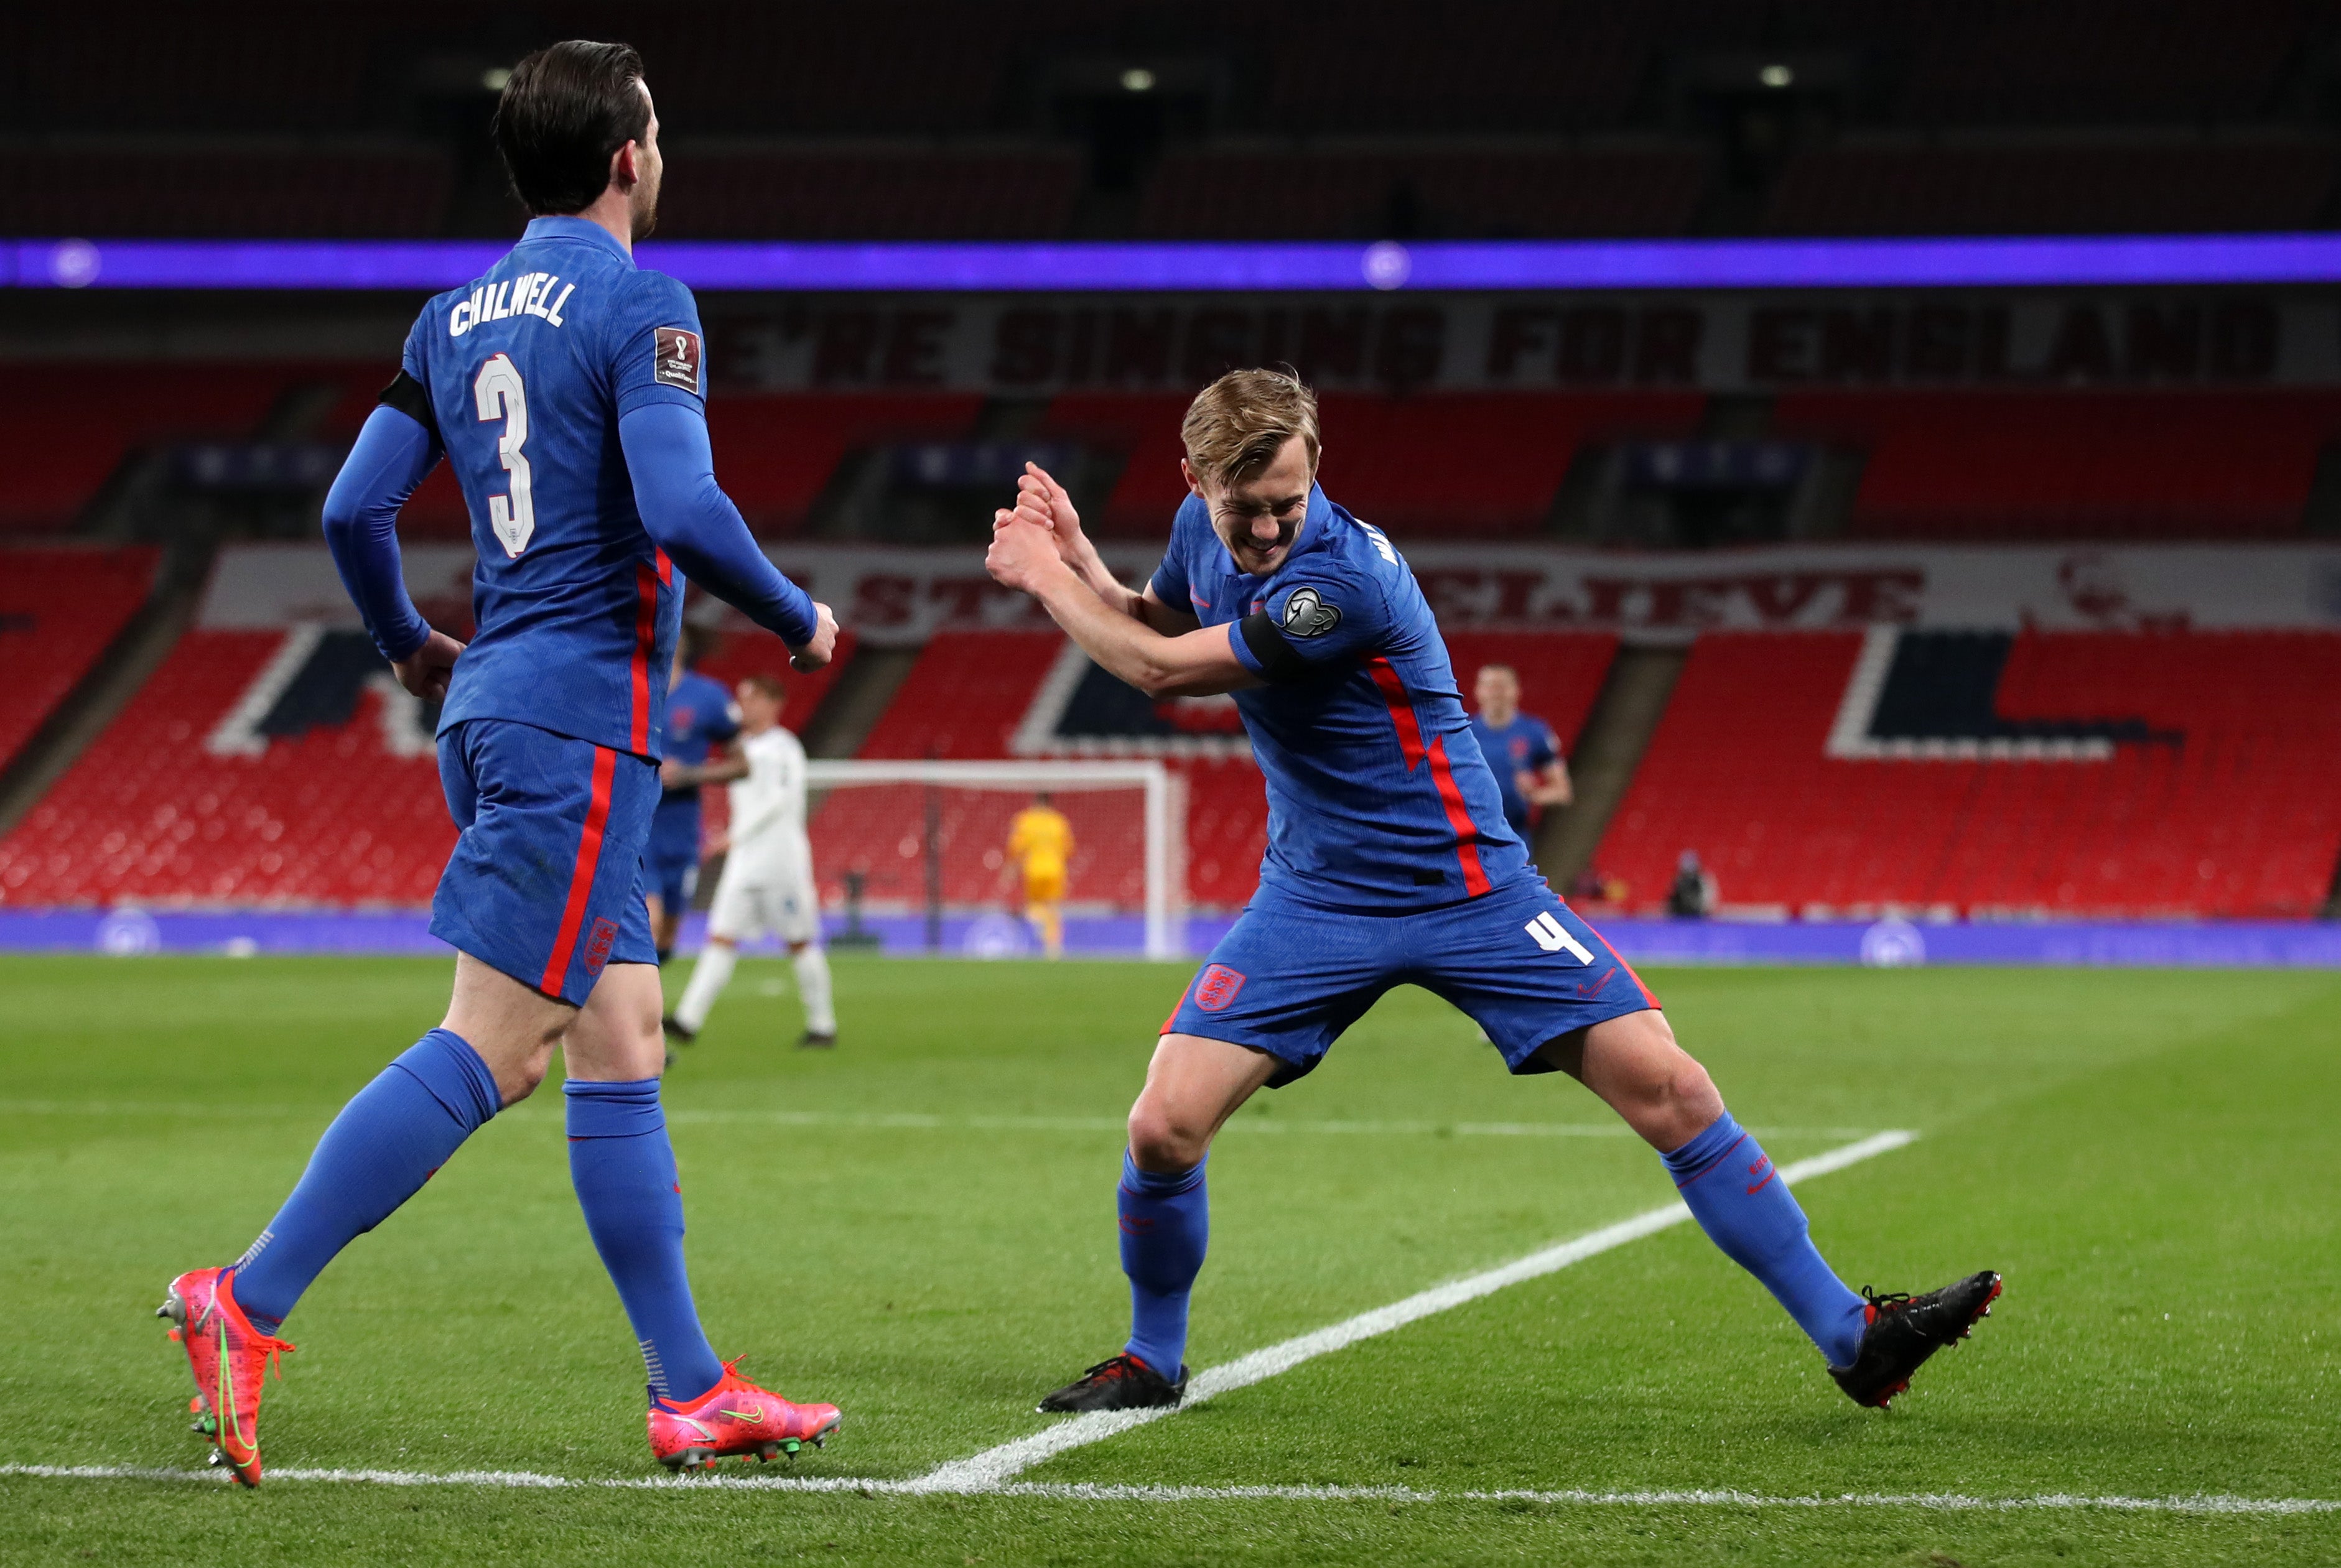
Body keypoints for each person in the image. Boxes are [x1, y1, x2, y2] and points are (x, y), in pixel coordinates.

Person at [984, 368, 1997, 1418]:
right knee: (1161, 1130)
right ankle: (1153, 1359)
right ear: (1193, 482)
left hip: (1468, 886)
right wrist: (1079, 564)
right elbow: (1156, 620)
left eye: (1289, 499)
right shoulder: (1207, 534)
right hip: (1316, 894)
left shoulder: (1344, 576)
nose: (1272, 526)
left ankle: (1852, 1335)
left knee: (1674, 1092)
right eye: (1247, 510)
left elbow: (1162, 674)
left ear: (1315, 469)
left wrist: (1040, 583)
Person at [160, 41, 844, 1485]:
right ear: (626, 161)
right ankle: (247, 1297)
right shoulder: (643, 302)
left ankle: (689, 1388)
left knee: (623, 1039)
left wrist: (411, 641)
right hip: (583, 718)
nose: (662, 152)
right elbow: (681, 500)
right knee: (497, 1041)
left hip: (491, 705)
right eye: (658, 131)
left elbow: (355, 508)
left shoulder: (452, 312)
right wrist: (796, 614)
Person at [663, 674, 837, 1048]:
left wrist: (733, 836)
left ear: (773, 703)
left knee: (800, 942)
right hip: (744, 863)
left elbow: (779, 801)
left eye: (751, 698)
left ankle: (823, 1026)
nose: (742, 706)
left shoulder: (784, 748)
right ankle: (686, 1021)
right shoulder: (739, 748)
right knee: (721, 938)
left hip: (781, 862)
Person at [645, 623, 740, 963]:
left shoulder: (709, 697)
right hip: (637, 827)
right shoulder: (630, 690)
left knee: (669, 930)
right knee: (647, 922)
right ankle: (634, 1013)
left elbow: (742, 764)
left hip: (682, 831)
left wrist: (690, 774)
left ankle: (643, 1002)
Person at [1468, 663, 1570, 843]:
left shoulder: (1535, 732)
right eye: (1490, 686)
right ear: (1478, 691)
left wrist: (1535, 794)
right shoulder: (1463, 734)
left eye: (1503, 686)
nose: (1496, 692)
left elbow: (1562, 791)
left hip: (1514, 837)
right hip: (1470, 836)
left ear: (1516, 690)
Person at [1003, 792, 1076, 958]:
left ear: (1035, 803)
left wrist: (1011, 869)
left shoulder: (1025, 820)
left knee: (1033, 907)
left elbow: (1016, 847)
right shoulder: (1059, 821)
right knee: (1053, 908)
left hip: (1033, 870)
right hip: (1055, 870)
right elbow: (1069, 850)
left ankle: (1039, 925)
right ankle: (1053, 948)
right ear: (1050, 804)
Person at [1668, 849, 1719, 919]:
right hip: (1681, 916)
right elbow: (1670, 902)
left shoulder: (1703, 880)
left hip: (1698, 916)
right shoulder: (1678, 881)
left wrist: (1702, 909)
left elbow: (1709, 902)